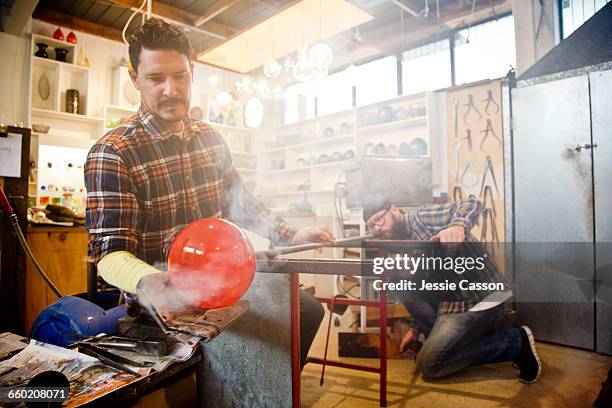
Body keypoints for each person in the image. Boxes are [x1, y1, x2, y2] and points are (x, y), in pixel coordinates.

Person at [84, 18, 327, 368]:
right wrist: (150, 281)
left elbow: (243, 206)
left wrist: (292, 233)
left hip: (224, 288)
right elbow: (109, 253)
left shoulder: (210, 139)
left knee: (306, 311)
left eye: (180, 76)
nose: (171, 89)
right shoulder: (114, 152)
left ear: (192, 71)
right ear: (135, 79)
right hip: (161, 305)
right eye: (155, 78)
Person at [363, 197, 542, 383]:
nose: (377, 228)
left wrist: (458, 226)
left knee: (430, 364)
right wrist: (415, 329)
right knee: (399, 282)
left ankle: (516, 343)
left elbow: (472, 204)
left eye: (379, 219)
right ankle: (446, 340)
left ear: (394, 210)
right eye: (371, 226)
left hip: (483, 299)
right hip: (453, 302)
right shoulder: (400, 244)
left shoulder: (421, 218)